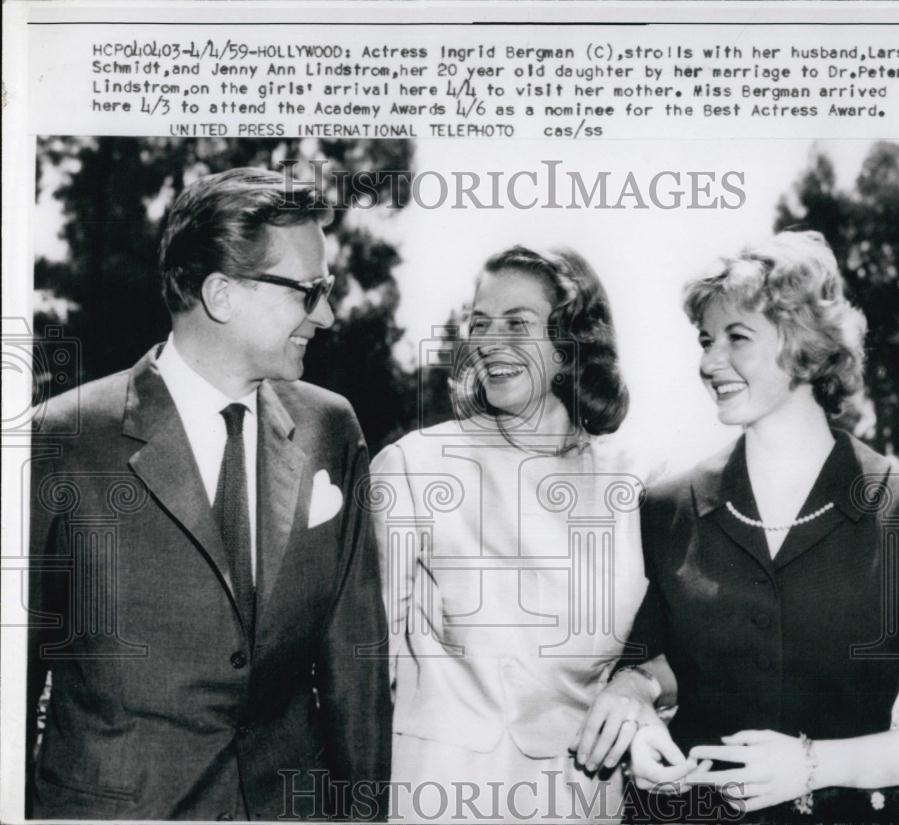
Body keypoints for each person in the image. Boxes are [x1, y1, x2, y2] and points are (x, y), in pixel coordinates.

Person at [27, 168, 390, 820]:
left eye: (327, 291)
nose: (328, 316)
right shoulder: (59, 440)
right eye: (308, 292)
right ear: (220, 293)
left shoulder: (331, 429)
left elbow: (356, 668)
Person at [614, 230, 899, 823]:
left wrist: (815, 765)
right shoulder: (668, 507)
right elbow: (647, 662)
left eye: (736, 338)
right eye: (705, 340)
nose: (708, 362)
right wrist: (634, 703)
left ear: (804, 346)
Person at [369, 246, 663, 822]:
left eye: (517, 324)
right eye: (480, 323)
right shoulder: (414, 465)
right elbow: (366, 668)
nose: (489, 341)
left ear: (570, 342)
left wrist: (638, 684)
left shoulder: (640, 482)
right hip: (436, 797)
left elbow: (675, 650)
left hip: (580, 800)